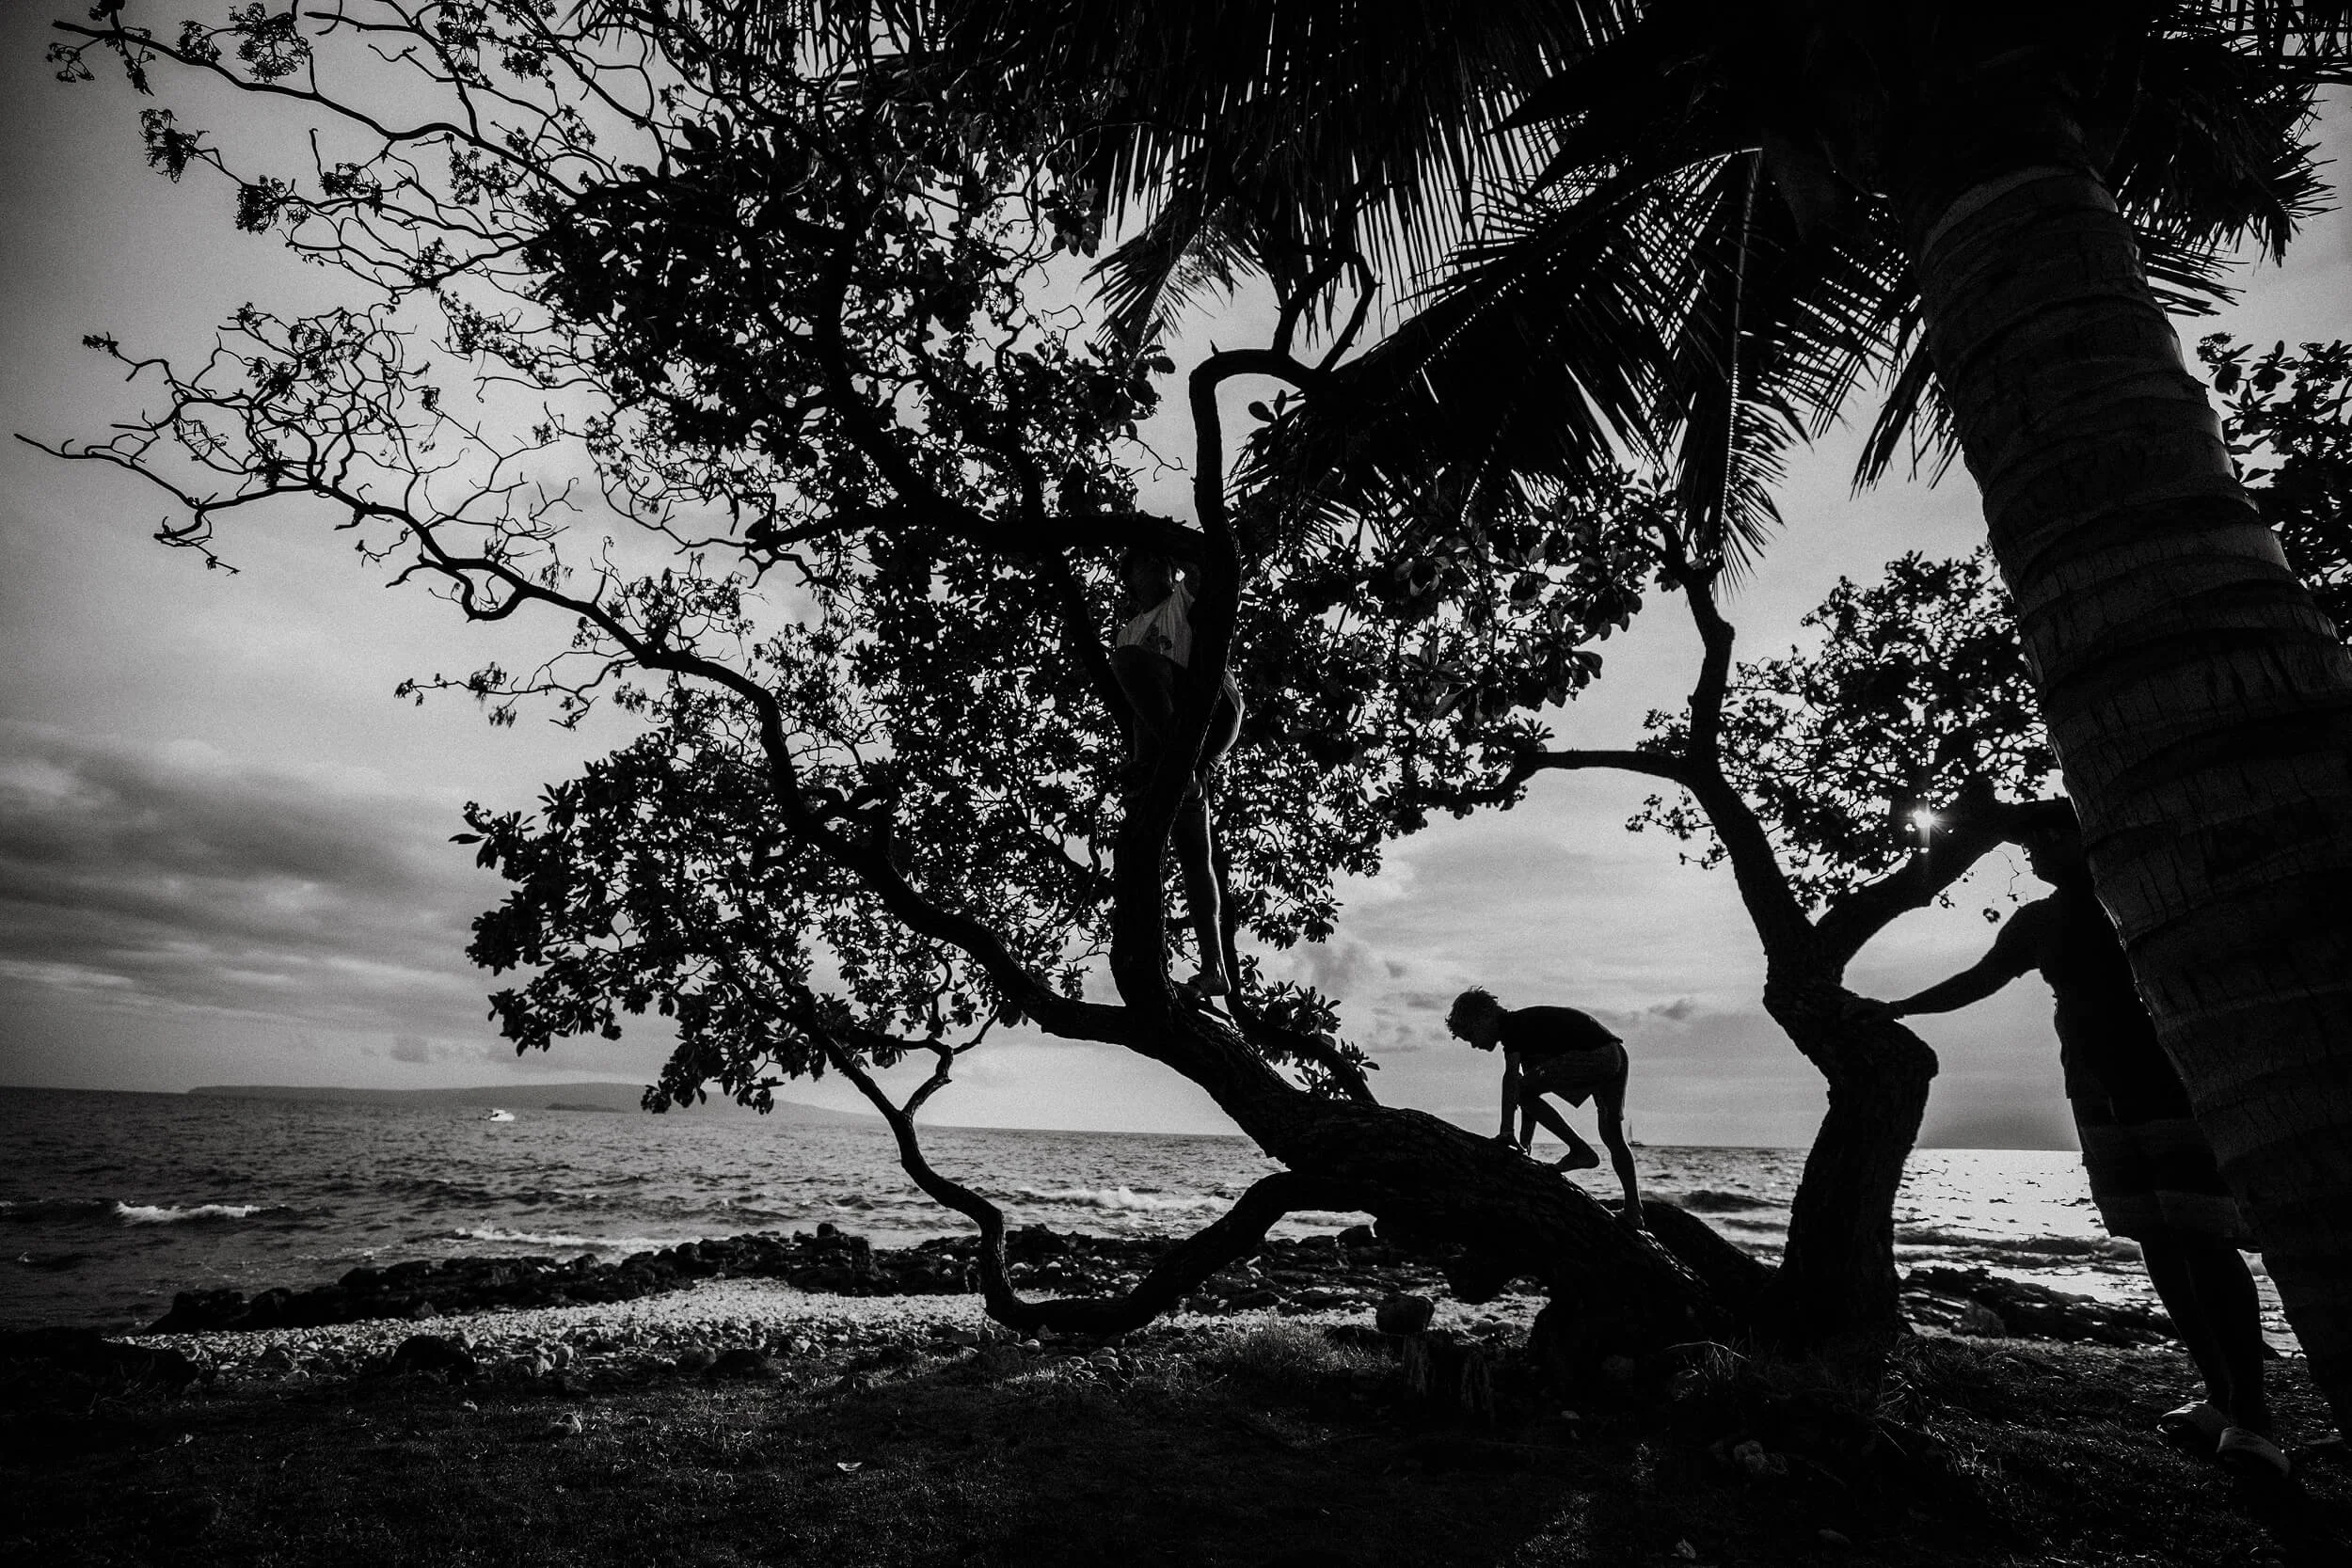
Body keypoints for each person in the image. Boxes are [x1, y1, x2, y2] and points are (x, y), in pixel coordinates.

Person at [1853, 808, 2283, 1477]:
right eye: (2027, 842)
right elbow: (1978, 979)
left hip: (2171, 1087)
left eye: (2047, 837)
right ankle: (2220, 1397)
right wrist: (1896, 1007)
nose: (2032, 851)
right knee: (2156, 1238)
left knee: (2202, 1236)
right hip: (2096, 1096)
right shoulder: (2038, 922)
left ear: (2089, 836)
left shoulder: (2142, 897)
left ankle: (2254, 1420)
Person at [1110, 548, 1245, 996]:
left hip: (1210, 706)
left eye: (1162, 562)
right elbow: (1139, 713)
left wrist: (1174, 541)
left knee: (1128, 662)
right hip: (1172, 732)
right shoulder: (1129, 631)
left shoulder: (1183, 598)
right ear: (1129, 580)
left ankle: (1177, 768)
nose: (1157, 568)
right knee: (1193, 851)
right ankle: (1215, 970)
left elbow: (1209, 567)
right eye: (1145, 563)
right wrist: (1140, 765)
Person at [1446, 987, 1642, 1227]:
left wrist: (1507, 1132)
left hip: (1597, 1056)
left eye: (1470, 1036)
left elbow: (1512, 1080)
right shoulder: (1527, 1031)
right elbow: (1530, 1101)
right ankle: (1634, 1210)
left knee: (1520, 1089)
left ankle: (1580, 1150)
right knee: (1612, 1136)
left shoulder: (1512, 1027)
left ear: (1484, 1018)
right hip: (1615, 1053)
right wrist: (1525, 1143)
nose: (1473, 1045)